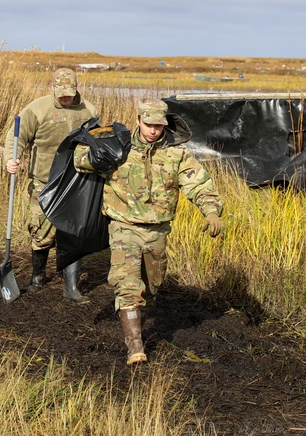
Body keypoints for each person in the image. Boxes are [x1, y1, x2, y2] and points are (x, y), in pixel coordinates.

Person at [74, 98, 223, 365]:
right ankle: (135, 347)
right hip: (123, 225)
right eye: (148, 124)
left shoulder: (177, 154)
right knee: (128, 284)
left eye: (158, 125)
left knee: (151, 287)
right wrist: (99, 151)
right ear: (138, 121)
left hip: (157, 230)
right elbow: (79, 159)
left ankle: (137, 325)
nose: (153, 130)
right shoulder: (119, 145)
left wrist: (211, 210)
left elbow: (199, 184)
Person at [3, 67, 99, 302]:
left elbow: (97, 140)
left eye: (70, 92)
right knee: (41, 232)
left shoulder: (90, 109)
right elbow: (15, 138)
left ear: (77, 88)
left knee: (74, 232)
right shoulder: (37, 109)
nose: (66, 97)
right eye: (61, 92)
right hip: (44, 181)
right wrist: (10, 160)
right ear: (53, 88)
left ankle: (72, 287)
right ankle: (37, 278)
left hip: (77, 181)